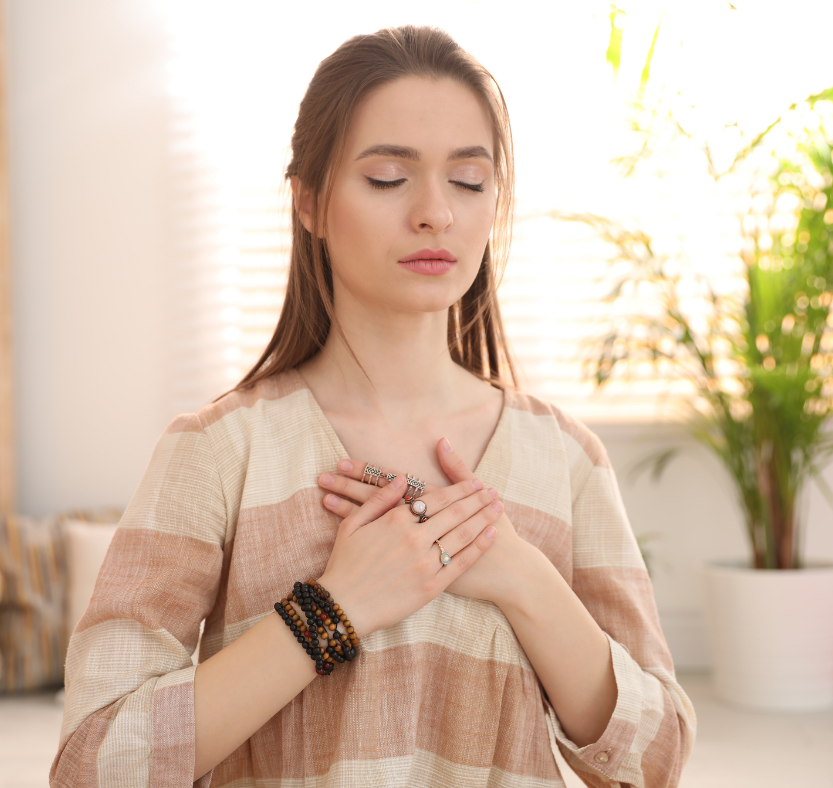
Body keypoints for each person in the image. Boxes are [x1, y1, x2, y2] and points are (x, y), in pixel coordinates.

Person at [51, 25, 695, 788]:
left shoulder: (566, 459)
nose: (434, 213)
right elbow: (94, 763)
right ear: (311, 203)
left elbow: (657, 758)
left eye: (468, 180)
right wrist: (331, 610)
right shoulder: (217, 451)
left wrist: (521, 576)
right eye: (389, 177)